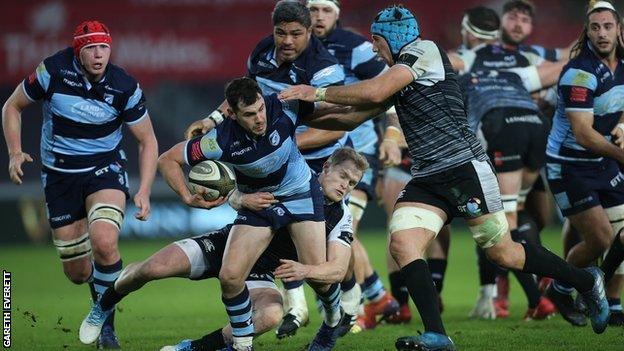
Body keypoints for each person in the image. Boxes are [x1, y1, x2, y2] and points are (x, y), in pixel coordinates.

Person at [279, 5, 610, 350]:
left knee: (504, 254)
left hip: (464, 168)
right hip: (427, 178)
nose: (375, 49)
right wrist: (293, 118)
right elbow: (349, 118)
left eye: (377, 42)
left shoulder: (426, 51)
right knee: (403, 243)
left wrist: (314, 91)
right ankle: (437, 334)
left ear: (392, 38)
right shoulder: (397, 76)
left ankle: (585, 280)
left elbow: (374, 92)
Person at [79, 147, 366, 351]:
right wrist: (238, 198)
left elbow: (339, 268)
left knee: (271, 316)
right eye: (343, 176)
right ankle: (103, 305)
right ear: (326, 166)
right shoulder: (291, 178)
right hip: (227, 244)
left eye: (352, 183)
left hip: (260, 273)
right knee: (150, 269)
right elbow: (240, 190)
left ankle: (193, 347)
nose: (345, 186)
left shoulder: (341, 216)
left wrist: (306, 269)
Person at [183, 1, 347, 337]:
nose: (286, 41)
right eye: (280, 32)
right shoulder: (261, 52)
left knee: (324, 258)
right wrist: (213, 119)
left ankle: (342, 307)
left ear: (309, 33)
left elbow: (337, 127)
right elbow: (242, 97)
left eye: (295, 34)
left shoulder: (325, 70)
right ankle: (295, 309)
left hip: (314, 161)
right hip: (267, 157)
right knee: (264, 236)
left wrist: (280, 143)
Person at [1, 20, 158, 349]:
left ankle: (106, 326)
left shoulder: (124, 85)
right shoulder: (53, 71)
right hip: (59, 176)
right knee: (78, 273)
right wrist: (15, 152)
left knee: (104, 243)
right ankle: (99, 292)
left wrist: (144, 189)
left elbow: (147, 140)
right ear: (78, 51)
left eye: (104, 47)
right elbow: (11, 106)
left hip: (105, 169)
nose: (99, 54)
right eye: (91, 48)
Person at [451, 6, 562, 321]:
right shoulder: (522, 60)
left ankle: (543, 297)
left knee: (499, 220)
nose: (518, 24)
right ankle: (514, 291)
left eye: (525, 18)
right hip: (537, 126)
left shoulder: (465, 60)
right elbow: (562, 66)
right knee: (522, 214)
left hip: (501, 130)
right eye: (513, 17)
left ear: (468, 31)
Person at [306, 0, 402, 332]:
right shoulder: (296, 50)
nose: (319, 16)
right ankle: (377, 296)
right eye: (313, 9)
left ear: (337, 14)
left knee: (343, 232)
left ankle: (356, 308)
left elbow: (391, 88)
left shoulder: (355, 47)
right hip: (322, 157)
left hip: (358, 155)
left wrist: (391, 134)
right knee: (333, 232)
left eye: (326, 9)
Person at [544, 0, 624, 329]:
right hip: (570, 165)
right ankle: (561, 288)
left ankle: (599, 291)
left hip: (603, 161)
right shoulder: (580, 72)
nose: (602, 33)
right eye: (595, 27)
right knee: (601, 239)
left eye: (608, 26)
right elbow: (584, 134)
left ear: (620, 30)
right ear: (587, 32)